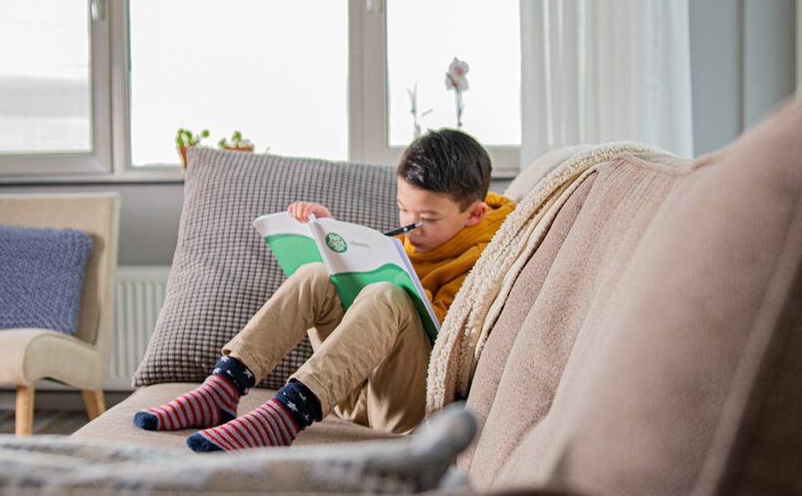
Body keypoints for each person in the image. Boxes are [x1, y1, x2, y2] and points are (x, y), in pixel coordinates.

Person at [133, 129, 515, 452]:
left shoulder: (489, 253)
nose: (411, 228)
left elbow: (450, 342)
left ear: (475, 214)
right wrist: (337, 245)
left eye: (427, 219)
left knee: (389, 296)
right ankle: (223, 387)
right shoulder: (429, 236)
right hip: (352, 392)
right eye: (403, 211)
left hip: (406, 408)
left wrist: (384, 292)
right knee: (319, 273)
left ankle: (285, 417)